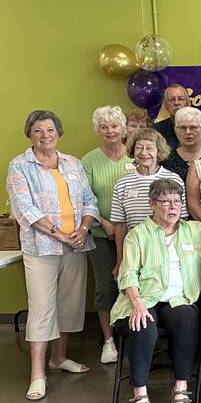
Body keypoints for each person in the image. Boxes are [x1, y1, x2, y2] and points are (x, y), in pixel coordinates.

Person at [7, 110, 99, 400]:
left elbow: (89, 199)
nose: (45, 135)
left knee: (70, 304)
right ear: (29, 134)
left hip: (76, 245)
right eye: (38, 130)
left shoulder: (72, 163)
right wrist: (60, 235)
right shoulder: (20, 166)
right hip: (41, 247)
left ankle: (58, 358)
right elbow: (24, 207)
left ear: (58, 133)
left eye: (50, 130)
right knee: (42, 307)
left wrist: (84, 229)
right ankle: (37, 374)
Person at [110, 179, 201, 403]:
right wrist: (137, 303)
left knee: (186, 317)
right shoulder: (138, 235)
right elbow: (128, 272)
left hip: (178, 299)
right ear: (152, 204)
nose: (173, 207)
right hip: (143, 298)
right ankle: (140, 392)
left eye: (177, 201)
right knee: (144, 323)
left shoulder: (195, 231)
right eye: (166, 202)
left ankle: (181, 388)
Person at [82, 105, 132, 364]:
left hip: (134, 234)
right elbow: (83, 198)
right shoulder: (89, 160)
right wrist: (107, 224)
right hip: (101, 235)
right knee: (105, 288)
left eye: (114, 126)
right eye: (104, 127)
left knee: (133, 283)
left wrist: (124, 226)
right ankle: (109, 341)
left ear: (123, 128)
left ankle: (135, 337)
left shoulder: (134, 156)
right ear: (98, 130)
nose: (110, 131)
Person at [110, 128, 187, 276]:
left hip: (168, 247)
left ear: (159, 151)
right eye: (139, 147)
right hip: (135, 249)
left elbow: (182, 220)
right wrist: (120, 260)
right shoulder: (122, 183)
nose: (143, 152)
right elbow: (120, 225)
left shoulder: (174, 179)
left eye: (149, 148)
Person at [161, 107, 201, 182]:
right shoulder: (165, 159)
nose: (188, 132)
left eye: (193, 127)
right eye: (182, 128)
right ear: (175, 130)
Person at [153, 83, 190, 150]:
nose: (176, 103)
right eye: (172, 99)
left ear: (188, 103)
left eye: (181, 99)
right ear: (166, 105)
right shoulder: (156, 131)